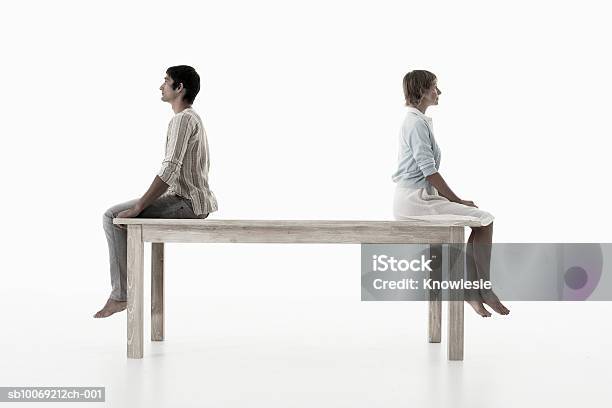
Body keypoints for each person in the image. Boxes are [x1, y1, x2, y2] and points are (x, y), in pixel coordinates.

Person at [94, 65, 218, 318]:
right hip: (189, 199)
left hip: (187, 202)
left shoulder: (183, 119)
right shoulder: (191, 117)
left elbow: (170, 169)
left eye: (166, 81)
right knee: (117, 214)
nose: (161, 86)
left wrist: (139, 207)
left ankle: (121, 296)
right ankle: (121, 294)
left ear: (179, 87)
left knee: (111, 216)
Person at [392, 70, 509, 317]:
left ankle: (474, 290)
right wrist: (457, 200)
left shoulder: (418, 120)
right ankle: (480, 289)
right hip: (415, 201)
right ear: (421, 91)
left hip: (420, 198)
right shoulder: (414, 123)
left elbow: (428, 172)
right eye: (435, 87)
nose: (439, 92)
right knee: (484, 218)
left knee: (481, 220)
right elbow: (429, 172)